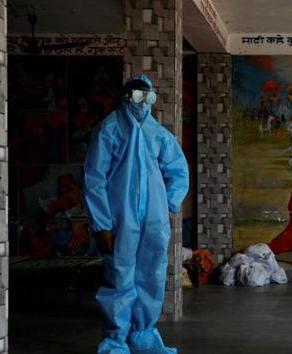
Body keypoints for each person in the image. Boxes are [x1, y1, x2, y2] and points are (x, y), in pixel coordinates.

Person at [84, 75, 189, 354]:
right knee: (120, 276)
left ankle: (143, 337)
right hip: (120, 219)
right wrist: (102, 224)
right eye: (139, 96)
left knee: (152, 275)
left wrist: (167, 204)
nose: (144, 103)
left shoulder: (159, 134)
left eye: (149, 97)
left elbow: (178, 171)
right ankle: (116, 341)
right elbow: (95, 179)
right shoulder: (109, 130)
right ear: (127, 97)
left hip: (154, 221)